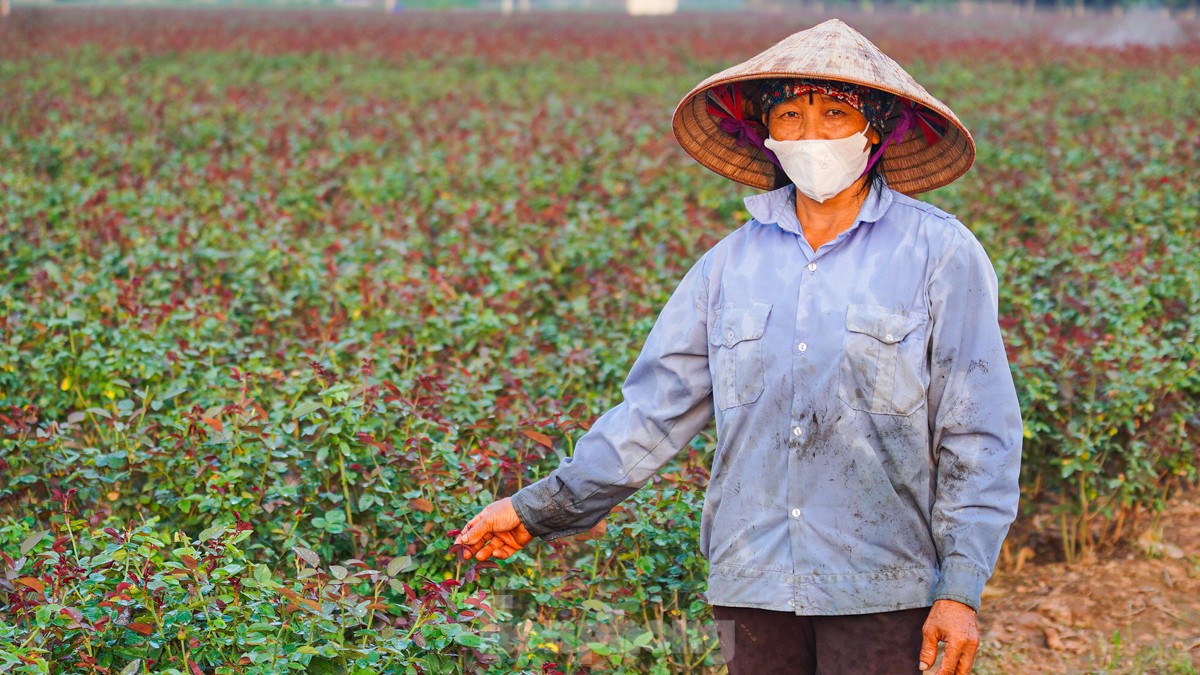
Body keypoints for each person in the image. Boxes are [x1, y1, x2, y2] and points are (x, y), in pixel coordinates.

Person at [455, 19, 1021, 675]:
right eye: (791, 114)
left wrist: (960, 588)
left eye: (835, 114)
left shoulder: (941, 254)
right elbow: (651, 415)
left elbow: (978, 434)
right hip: (752, 581)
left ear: (875, 130)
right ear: (767, 133)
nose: (811, 134)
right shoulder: (727, 267)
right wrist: (538, 508)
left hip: (886, 584)